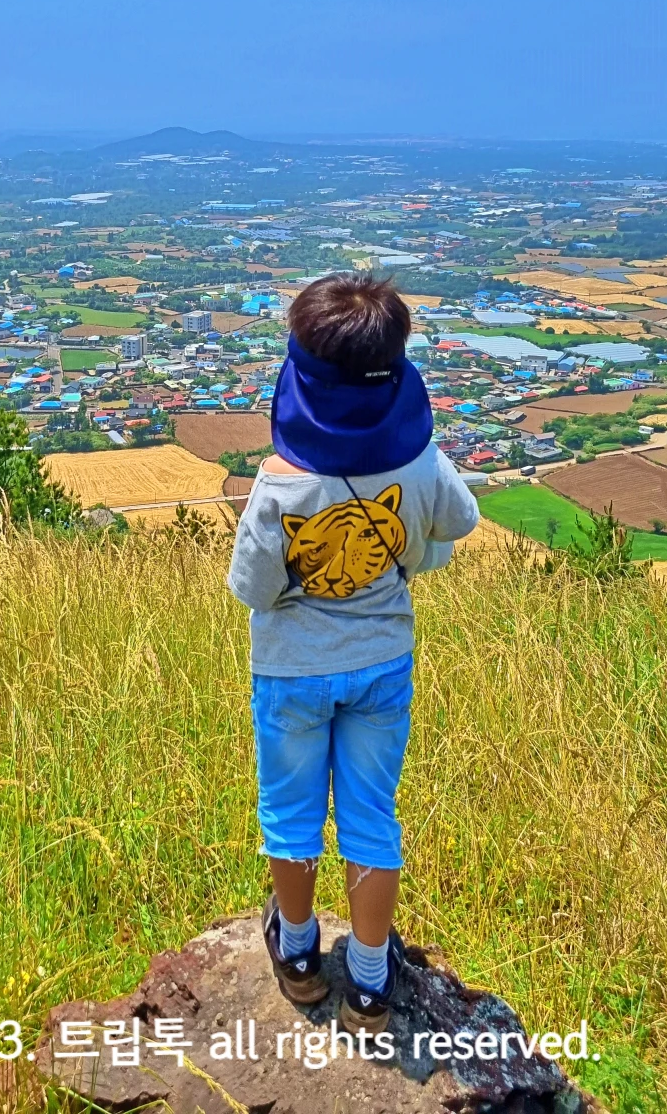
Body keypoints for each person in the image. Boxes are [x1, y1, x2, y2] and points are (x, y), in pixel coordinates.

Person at [227, 272, 479, 1030]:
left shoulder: (279, 485)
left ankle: (299, 954)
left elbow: (255, 591)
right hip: (381, 666)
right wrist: (409, 556)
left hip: (292, 672)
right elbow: (457, 526)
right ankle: (371, 978)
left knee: (291, 813)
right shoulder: (421, 463)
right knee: (372, 815)